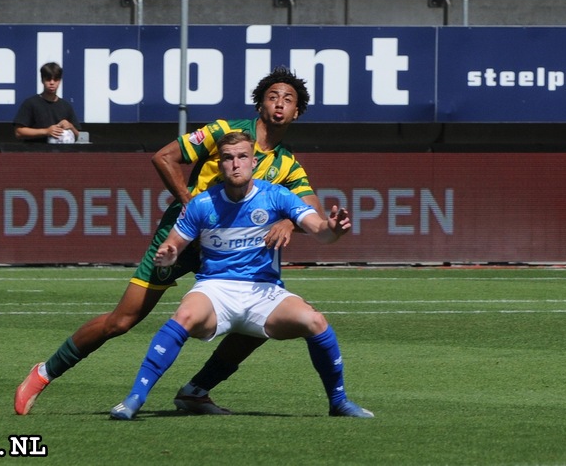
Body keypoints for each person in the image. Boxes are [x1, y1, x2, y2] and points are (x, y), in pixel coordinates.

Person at [15, 68, 323, 416]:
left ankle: (196, 391)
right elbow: (163, 157)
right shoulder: (225, 133)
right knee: (122, 321)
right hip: (181, 240)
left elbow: (313, 212)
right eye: (272, 96)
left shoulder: (287, 162)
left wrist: (286, 220)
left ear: (297, 112)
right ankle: (44, 373)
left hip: (225, 255)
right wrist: (193, 207)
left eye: (288, 99)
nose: (279, 104)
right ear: (259, 104)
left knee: (260, 318)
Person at [110, 131, 373, 420]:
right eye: (228, 158)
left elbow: (320, 231)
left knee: (315, 321)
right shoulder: (201, 203)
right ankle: (134, 398)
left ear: (253, 161)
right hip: (215, 289)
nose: (236, 164)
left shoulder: (276, 195)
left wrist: (333, 229)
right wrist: (168, 257)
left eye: (242, 157)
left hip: (264, 292)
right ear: (220, 164)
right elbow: (171, 245)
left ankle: (339, 402)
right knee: (183, 317)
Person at [13, 62, 80, 143]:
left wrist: (71, 127)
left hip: (62, 154)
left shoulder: (66, 106)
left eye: (55, 79)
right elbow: (18, 132)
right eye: (48, 79)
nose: (52, 83)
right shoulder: (31, 103)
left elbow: (79, 136)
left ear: (59, 81)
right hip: (36, 153)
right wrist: (46, 131)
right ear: (42, 80)